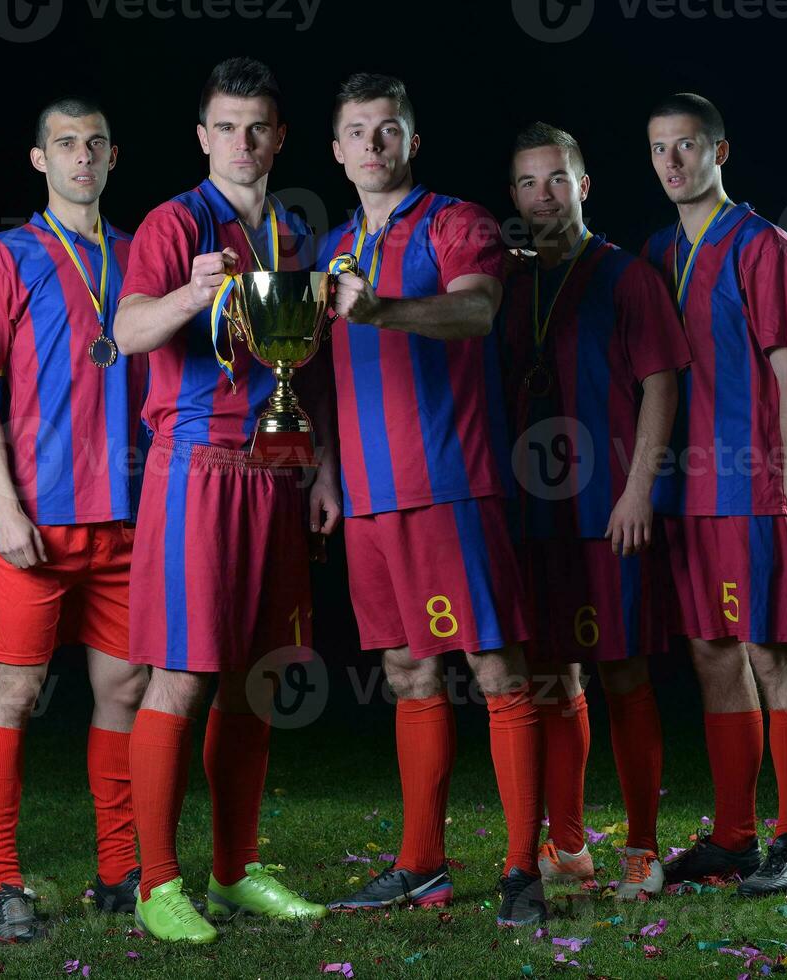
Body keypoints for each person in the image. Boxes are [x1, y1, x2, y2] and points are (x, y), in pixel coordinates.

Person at [112, 57, 339, 944]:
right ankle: (157, 883)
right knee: (185, 670)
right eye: (225, 128)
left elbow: (303, 369)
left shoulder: (289, 232)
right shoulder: (176, 223)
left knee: (260, 676)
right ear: (202, 136)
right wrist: (186, 294)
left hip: (276, 472)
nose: (242, 143)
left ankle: (236, 869)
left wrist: (318, 466)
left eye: (258, 128)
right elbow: (126, 328)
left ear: (278, 137)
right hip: (197, 468)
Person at [317, 73, 545, 927]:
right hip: (371, 498)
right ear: (336, 150)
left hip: (451, 480)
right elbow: (329, 374)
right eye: (356, 131)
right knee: (407, 671)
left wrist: (377, 308)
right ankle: (421, 866)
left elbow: (476, 312)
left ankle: (523, 870)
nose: (372, 144)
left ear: (413, 141)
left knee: (495, 670)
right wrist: (329, 472)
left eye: (388, 129)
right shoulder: (332, 248)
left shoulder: (457, 222)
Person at [0, 96, 150, 941]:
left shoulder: (145, 254)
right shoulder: (3, 256)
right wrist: (2, 504)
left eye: (95, 144)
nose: (82, 157)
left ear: (113, 158)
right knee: (15, 691)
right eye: (65, 144)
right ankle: (4, 881)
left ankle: (118, 873)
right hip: (36, 517)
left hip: (128, 519)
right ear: (40, 160)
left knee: (125, 690)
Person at [641, 93, 787, 897]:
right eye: (658, 149)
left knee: (771, 652)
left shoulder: (764, 246)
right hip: (687, 496)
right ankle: (732, 836)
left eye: (687, 146)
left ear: (719, 152)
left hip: (753, 488)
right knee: (713, 656)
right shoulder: (656, 252)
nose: (673, 162)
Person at [502, 123, 688, 900]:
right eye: (527, 183)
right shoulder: (505, 282)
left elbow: (662, 383)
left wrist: (639, 489)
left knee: (622, 672)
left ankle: (641, 850)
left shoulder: (625, 276)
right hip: (528, 515)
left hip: (607, 509)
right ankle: (570, 847)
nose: (543, 195)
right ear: (512, 195)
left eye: (557, 179)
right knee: (547, 677)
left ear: (584, 185)